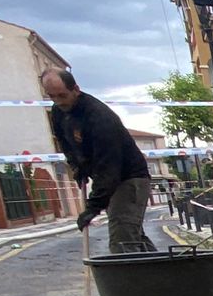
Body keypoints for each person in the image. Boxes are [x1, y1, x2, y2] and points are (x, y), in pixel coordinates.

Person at [41, 68, 156, 254]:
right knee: (131, 236)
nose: (58, 101)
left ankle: (130, 282)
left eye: (62, 95)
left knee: (123, 241)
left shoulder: (100, 117)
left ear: (75, 89)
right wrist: (77, 167)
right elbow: (65, 143)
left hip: (129, 178)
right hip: (108, 177)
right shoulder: (59, 112)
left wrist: (92, 208)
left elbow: (108, 169)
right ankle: (166, 277)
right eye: (52, 96)